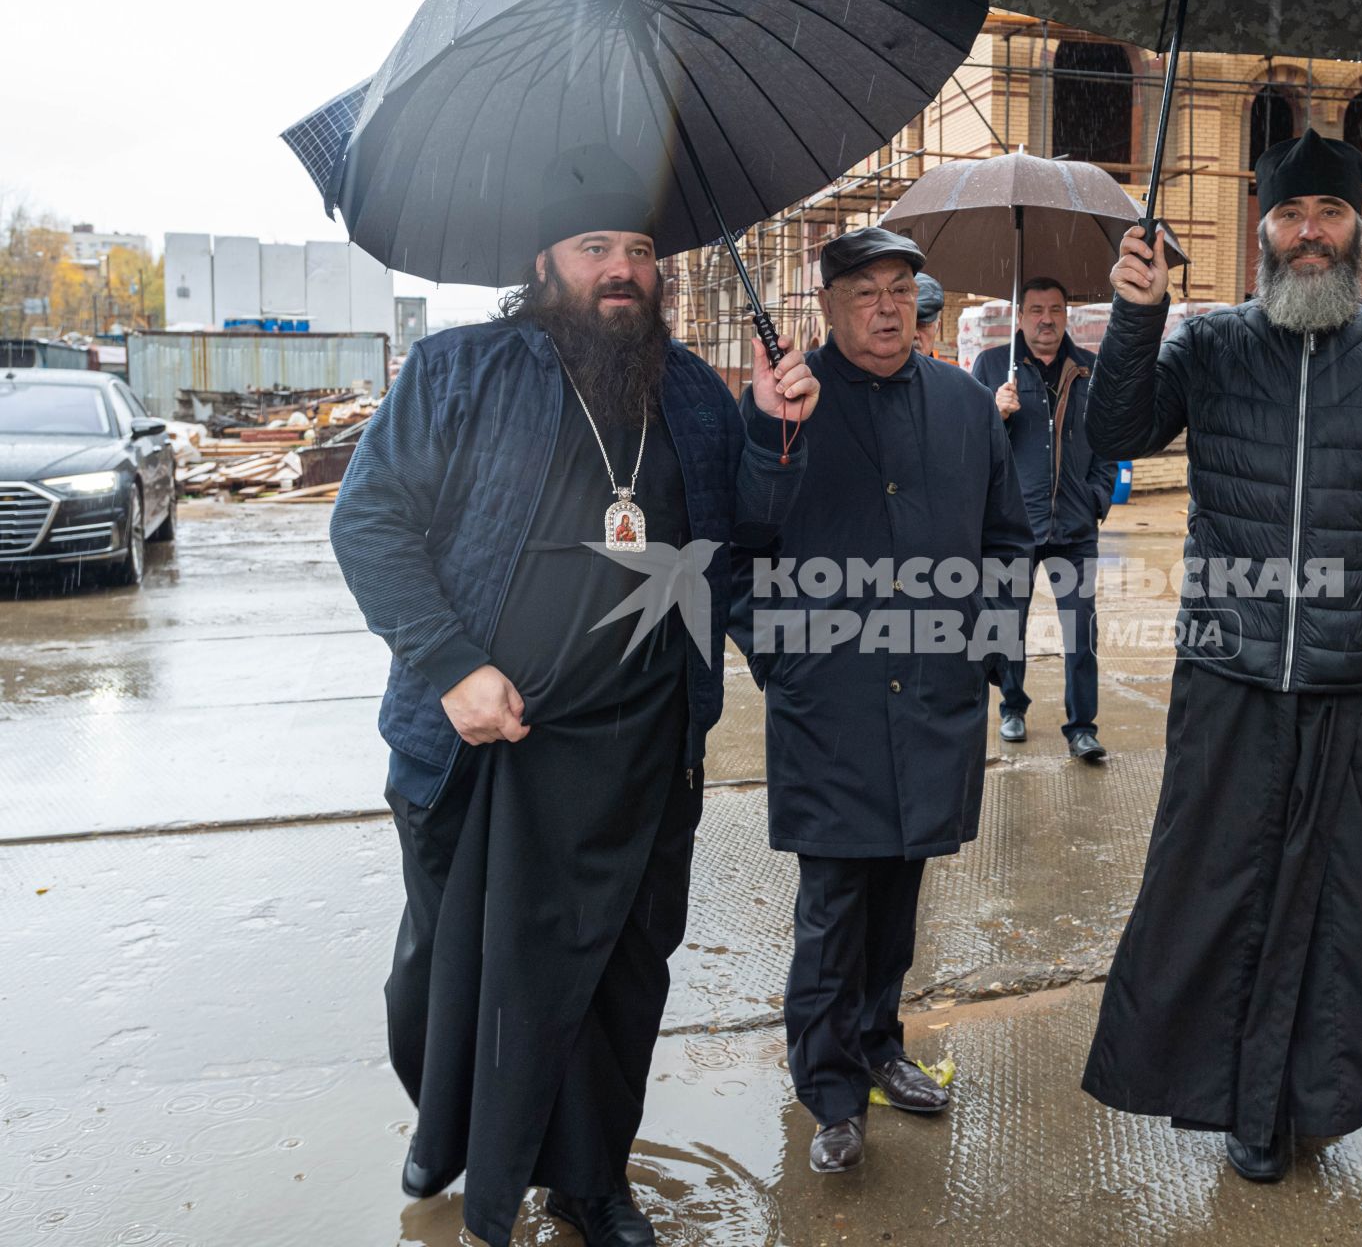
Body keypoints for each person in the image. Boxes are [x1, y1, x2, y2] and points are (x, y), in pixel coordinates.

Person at [331, 144, 817, 1247]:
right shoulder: (460, 369)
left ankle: (591, 1177)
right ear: (545, 259)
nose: (623, 270)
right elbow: (369, 524)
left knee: (615, 976)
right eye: (598, 247)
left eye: (640, 250)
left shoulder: (690, 390)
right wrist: (452, 664)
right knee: (449, 965)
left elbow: (736, 544)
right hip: (484, 740)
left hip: (644, 746)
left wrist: (780, 436)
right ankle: (445, 1116)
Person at [1078, 128, 1362, 1183]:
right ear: (1263, 229)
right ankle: (1239, 1103)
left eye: (1330, 215)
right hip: (1231, 677)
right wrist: (1135, 311)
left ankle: (1307, 1100)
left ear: (1359, 229)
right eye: (1293, 215)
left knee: (1342, 910)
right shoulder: (1209, 347)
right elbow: (1112, 431)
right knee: (1219, 892)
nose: (1311, 233)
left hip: (1354, 686)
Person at [731, 226, 1032, 1175]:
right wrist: (788, 665)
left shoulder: (964, 403)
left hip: (933, 696)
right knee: (832, 905)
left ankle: (881, 1046)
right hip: (833, 701)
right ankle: (829, 1088)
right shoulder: (788, 404)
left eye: (903, 288)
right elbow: (737, 554)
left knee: (901, 890)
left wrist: (983, 648)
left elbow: (1007, 540)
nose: (888, 306)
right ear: (825, 304)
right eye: (865, 290)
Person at [973, 276, 1116, 762]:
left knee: (1081, 632)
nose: (1046, 319)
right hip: (1014, 528)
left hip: (1076, 528)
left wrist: (1098, 497)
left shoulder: (1091, 370)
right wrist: (996, 415)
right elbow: (967, 445)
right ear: (1020, 316)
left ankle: (1082, 727)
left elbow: (1108, 443)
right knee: (1009, 625)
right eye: (1035, 310)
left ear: (1067, 314)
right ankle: (1012, 706)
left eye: (1055, 309)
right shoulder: (993, 366)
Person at [912, 271, 958, 363]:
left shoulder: (950, 376)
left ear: (938, 327)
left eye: (923, 324)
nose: (914, 334)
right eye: (906, 325)